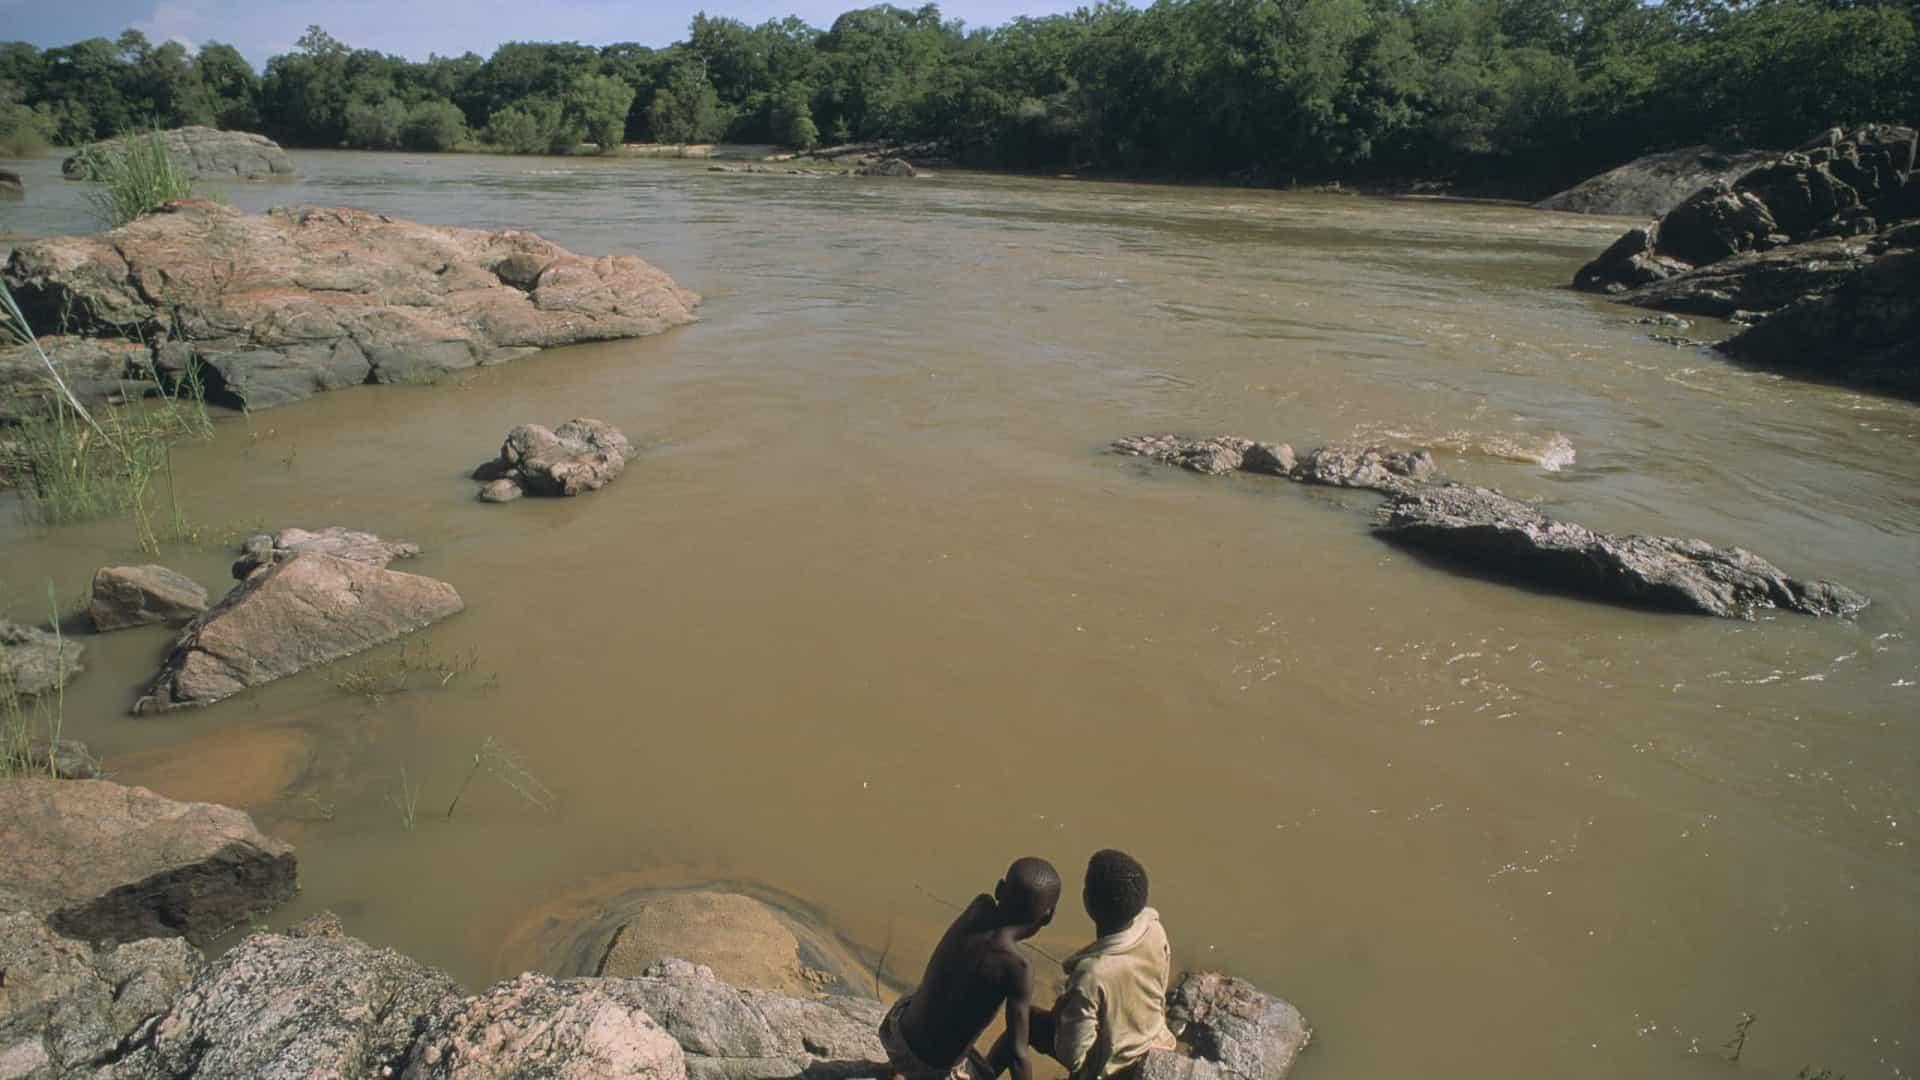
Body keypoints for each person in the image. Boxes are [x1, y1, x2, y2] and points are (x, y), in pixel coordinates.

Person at [987, 849, 1177, 1080]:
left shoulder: (1092, 974)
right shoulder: (1155, 928)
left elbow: (1072, 1056)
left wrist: (1063, 1018)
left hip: (1112, 1069)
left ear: (1087, 901)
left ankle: (982, 1074)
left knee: (1027, 1022)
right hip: (1155, 1040)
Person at [879, 857, 1063, 1080]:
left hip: (896, 1032)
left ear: (998, 889)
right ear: (1049, 916)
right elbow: (1017, 1054)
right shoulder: (1018, 968)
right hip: (932, 1070)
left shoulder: (979, 907)